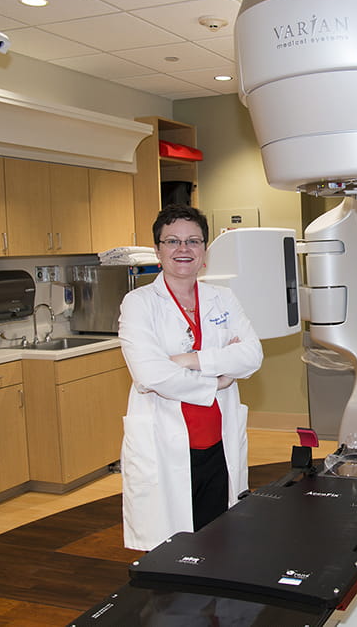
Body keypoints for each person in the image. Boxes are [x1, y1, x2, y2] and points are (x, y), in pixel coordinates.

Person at [118, 204, 263, 551]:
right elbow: (151, 373)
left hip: (218, 441)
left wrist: (188, 359)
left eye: (193, 241)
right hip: (165, 443)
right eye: (172, 241)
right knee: (173, 550)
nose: (183, 250)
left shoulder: (223, 299)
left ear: (204, 252)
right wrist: (215, 379)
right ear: (158, 251)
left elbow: (252, 355)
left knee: (220, 539)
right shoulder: (138, 304)